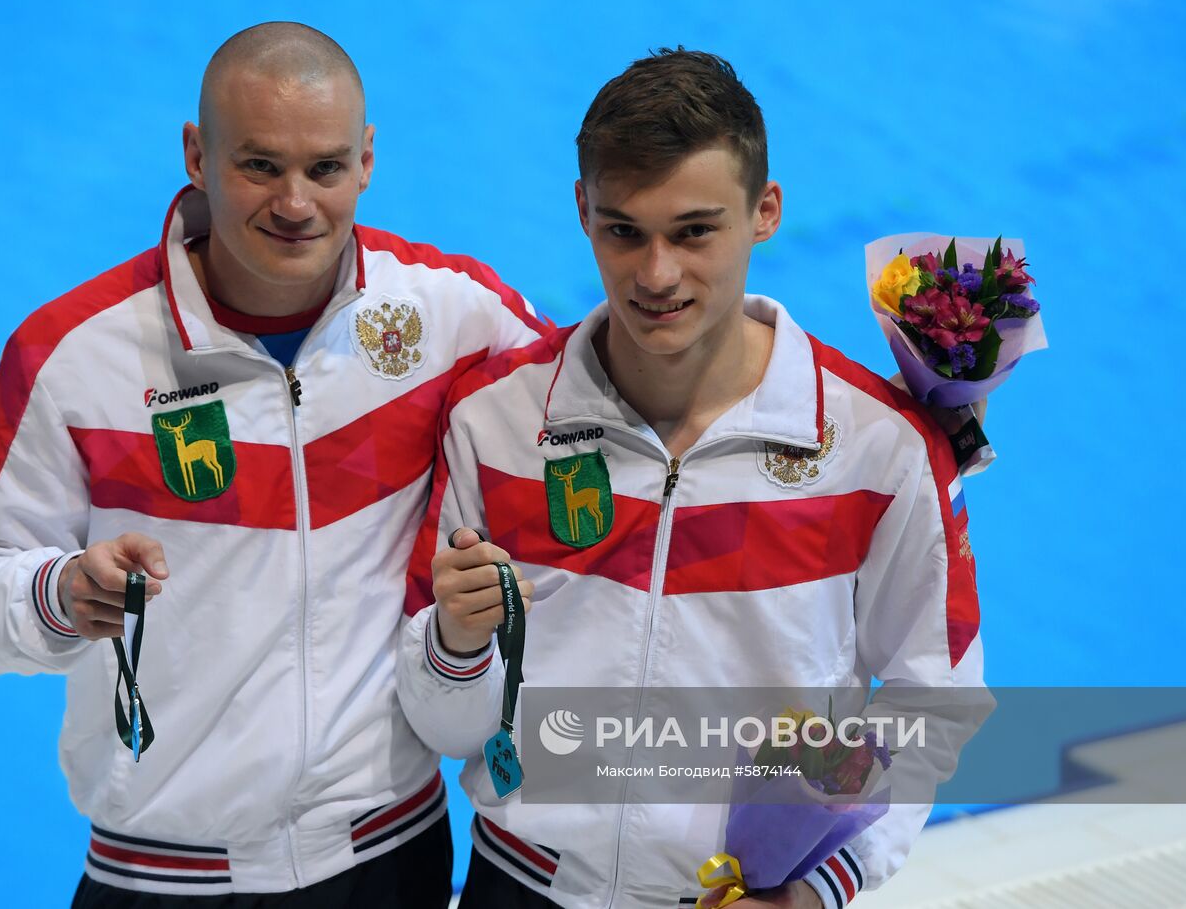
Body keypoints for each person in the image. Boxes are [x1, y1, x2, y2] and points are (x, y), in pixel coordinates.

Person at [0, 22, 548, 907]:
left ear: (367, 161)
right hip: (158, 876)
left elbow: (596, 406)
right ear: (196, 154)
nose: (296, 203)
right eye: (260, 166)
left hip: (391, 859)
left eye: (326, 168)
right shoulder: (75, 356)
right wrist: (61, 593)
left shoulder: (451, 316)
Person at [397, 49, 986, 909]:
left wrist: (822, 887)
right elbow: (447, 726)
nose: (657, 274)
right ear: (582, 212)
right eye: (624, 230)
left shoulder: (878, 449)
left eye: (695, 231)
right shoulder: (494, 422)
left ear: (766, 212)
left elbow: (934, 704)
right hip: (515, 888)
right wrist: (454, 644)